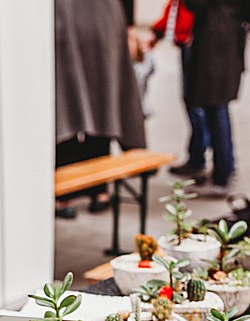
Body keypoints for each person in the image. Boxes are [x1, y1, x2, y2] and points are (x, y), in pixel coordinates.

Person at [55, 0, 147, 218]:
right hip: (103, 19)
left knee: (66, 103)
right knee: (103, 102)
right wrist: (130, 28)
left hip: (64, 17)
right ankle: (98, 191)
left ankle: (65, 193)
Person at [180, 0, 248, 198]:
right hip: (228, 36)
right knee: (218, 108)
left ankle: (221, 177)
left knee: (216, 108)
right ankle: (225, 168)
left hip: (214, 43)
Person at [148, 0, 206, 182]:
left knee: (197, 105)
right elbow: (176, 6)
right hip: (191, 42)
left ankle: (199, 159)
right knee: (196, 104)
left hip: (195, 43)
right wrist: (158, 32)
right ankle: (200, 158)